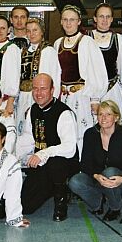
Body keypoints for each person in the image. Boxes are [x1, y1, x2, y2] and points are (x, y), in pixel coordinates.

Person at [16, 73, 79, 222]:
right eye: (35, 89)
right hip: (42, 164)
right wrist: (13, 155)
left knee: (56, 163)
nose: (38, 93)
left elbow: (69, 148)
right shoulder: (32, 110)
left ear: (52, 90)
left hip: (64, 164)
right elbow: (28, 137)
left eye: (43, 89)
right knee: (26, 206)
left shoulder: (64, 113)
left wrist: (43, 154)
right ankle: (51, 188)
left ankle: (61, 201)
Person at [54, 5, 108, 152]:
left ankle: (83, 169)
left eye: (72, 20)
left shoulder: (87, 42)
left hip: (81, 97)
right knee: (65, 133)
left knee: (83, 133)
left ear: (79, 22)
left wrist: (95, 99)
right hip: (63, 97)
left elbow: (97, 71)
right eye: (65, 19)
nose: (68, 23)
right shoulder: (58, 43)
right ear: (61, 22)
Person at [69, 100, 122, 221]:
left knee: (110, 172)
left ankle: (115, 208)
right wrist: (96, 176)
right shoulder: (91, 134)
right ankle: (98, 202)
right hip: (98, 178)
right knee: (75, 182)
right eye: (100, 114)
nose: (103, 118)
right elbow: (85, 163)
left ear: (116, 117)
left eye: (108, 114)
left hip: (119, 180)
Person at [17, 18, 61, 134]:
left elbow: (54, 77)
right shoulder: (23, 51)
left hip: (40, 96)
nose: (32, 34)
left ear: (42, 31)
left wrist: (51, 102)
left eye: (35, 30)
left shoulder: (48, 51)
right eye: (29, 31)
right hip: (23, 96)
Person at [87, 3, 122, 121]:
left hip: (112, 89)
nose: (104, 20)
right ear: (95, 18)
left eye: (108, 17)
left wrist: (118, 85)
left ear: (112, 19)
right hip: (92, 91)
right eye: (101, 16)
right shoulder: (87, 38)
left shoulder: (118, 38)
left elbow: (121, 66)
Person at [0, 15, 21, 115]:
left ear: (8, 30)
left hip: (4, 98)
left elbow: (14, 77)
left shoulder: (12, 48)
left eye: (3, 28)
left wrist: (10, 102)